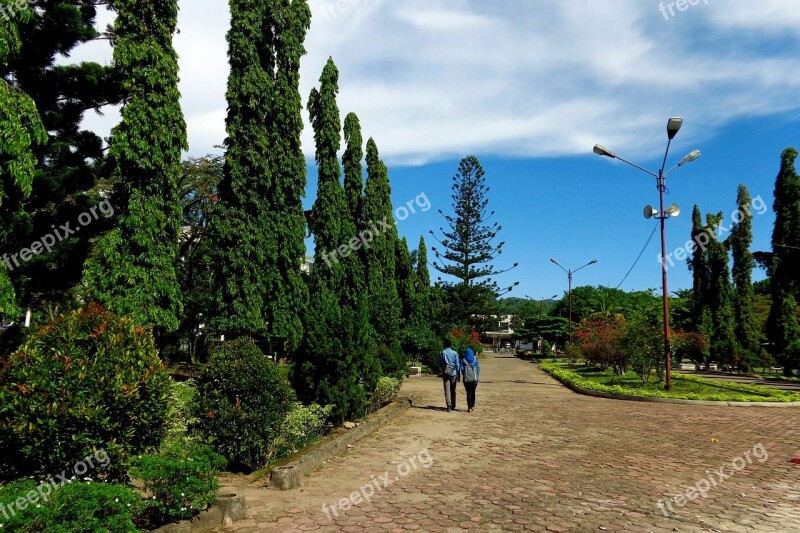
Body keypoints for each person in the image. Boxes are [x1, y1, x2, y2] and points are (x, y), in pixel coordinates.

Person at [440, 340, 461, 412]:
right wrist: (458, 374)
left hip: (445, 372)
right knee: (453, 389)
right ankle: (453, 404)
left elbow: (441, 363)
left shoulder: (443, 352)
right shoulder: (454, 353)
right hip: (453, 372)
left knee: (446, 389)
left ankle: (448, 404)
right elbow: (457, 364)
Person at [461, 347, 481, 412]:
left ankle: (469, 407)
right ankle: (472, 406)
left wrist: (465, 374)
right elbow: (478, 369)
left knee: (468, 393)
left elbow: (462, 369)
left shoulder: (463, 360)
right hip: (474, 380)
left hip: (466, 380)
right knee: (473, 392)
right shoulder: (475, 360)